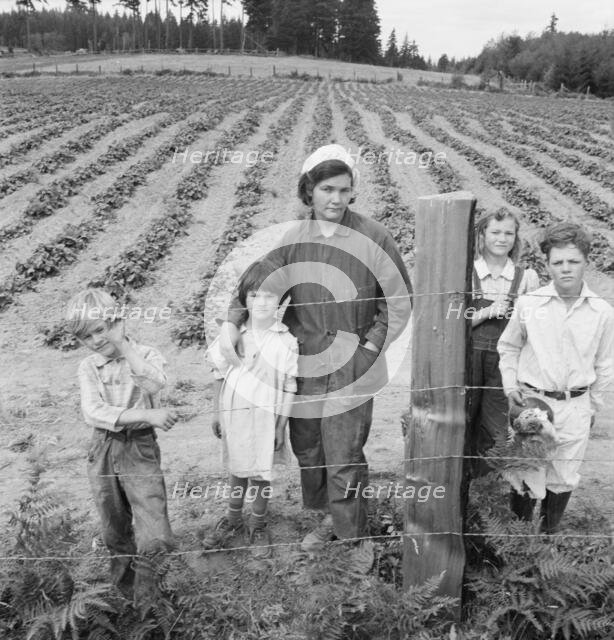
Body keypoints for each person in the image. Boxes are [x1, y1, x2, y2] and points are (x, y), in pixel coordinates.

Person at [218, 144, 412, 569]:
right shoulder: (294, 239)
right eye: (327, 189)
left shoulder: (374, 237)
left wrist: (372, 345)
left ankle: (352, 539)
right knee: (309, 450)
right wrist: (234, 322)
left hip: (353, 370)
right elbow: (259, 286)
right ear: (309, 190)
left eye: (344, 190)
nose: (337, 199)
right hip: (305, 363)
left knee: (344, 454)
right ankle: (327, 518)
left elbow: (398, 300)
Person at [65, 289, 177, 611]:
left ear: (118, 321)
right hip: (102, 447)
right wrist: (147, 414)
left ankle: (152, 597)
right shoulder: (89, 367)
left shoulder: (146, 355)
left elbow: (155, 384)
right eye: (88, 336)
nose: (97, 340)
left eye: (101, 329)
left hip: (139, 447)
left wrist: (125, 347)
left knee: (154, 530)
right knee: (114, 526)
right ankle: (126, 598)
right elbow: (93, 412)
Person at [498, 222, 614, 533]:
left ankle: (548, 540)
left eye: (573, 261)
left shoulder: (601, 312)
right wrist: (511, 387)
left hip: (576, 404)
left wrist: (592, 407)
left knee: (563, 476)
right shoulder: (530, 304)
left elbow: (605, 365)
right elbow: (508, 347)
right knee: (526, 474)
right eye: (558, 262)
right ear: (547, 264)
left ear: (586, 262)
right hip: (533, 404)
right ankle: (520, 543)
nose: (566, 269)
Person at [204, 260, 298, 559]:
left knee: (261, 473)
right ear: (244, 298)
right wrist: (218, 413)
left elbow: (288, 386)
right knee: (237, 468)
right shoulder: (233, 335)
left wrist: (281, 426)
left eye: (270, 296)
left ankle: (258, 524)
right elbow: (218, 374)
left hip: (267, 417)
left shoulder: (286, 340)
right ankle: (232, 518)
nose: (261, 302)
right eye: (254, 295)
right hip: (235, 412)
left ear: (281, 300)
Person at [467, 209, 539, 478]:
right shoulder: (468, 273)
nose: (502, 238)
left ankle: (487, 485)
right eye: (495, 232)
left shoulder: (525, 278)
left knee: (496, 424)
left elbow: (532, 327)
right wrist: (488, 311)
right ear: (482, 234)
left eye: (509, 233)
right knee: (463, 419)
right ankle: (460, 482)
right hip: (469, 357)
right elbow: (449, 325)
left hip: (504, 361)